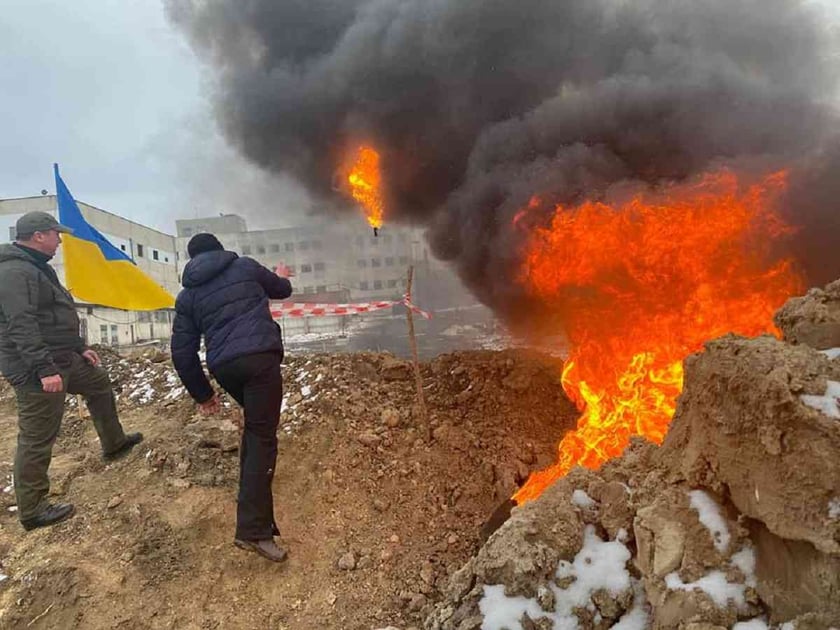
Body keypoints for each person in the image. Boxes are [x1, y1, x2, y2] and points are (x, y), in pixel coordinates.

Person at [0, 211, 144, 531]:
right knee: (38, 436)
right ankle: (33, 509)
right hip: (37, 367)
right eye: (55, 234)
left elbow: (54, 316)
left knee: (98, 382)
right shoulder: (13, 272)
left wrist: (79, 347)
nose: (60, 240)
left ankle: (114, 443)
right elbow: (21, 324)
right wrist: (43, 369)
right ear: (38, 235)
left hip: (63, 357)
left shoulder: (37, 267)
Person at [171, 233, 292, 562]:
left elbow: (182, 353)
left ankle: (251, 492)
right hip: (259, 360)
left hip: (225, 367)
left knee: (255, 430)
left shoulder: (188, 295)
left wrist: (203, 393)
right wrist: (280, 275)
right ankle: (253, 530)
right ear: (219, 250)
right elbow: (282, 290)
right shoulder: (244, 267)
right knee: (262, 437)